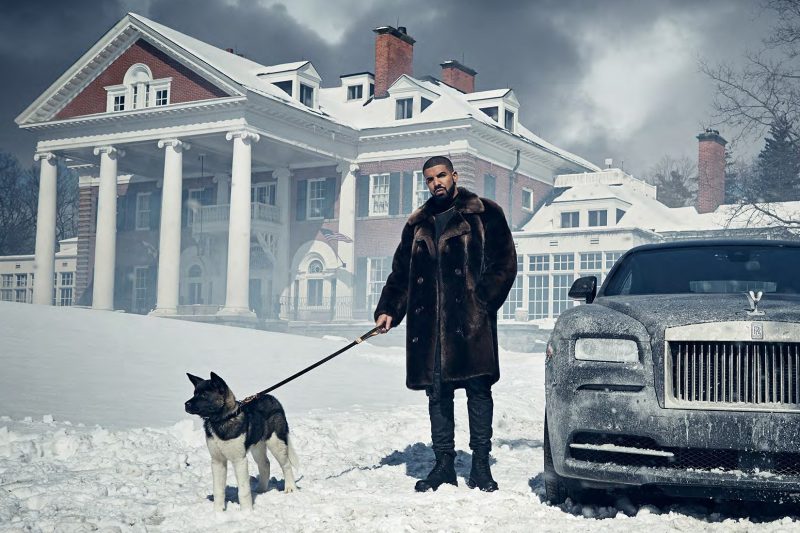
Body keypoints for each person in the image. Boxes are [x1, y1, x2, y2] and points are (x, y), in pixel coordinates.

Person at [374, 155, 517, 492]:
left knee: (478, 392)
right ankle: (444, 465)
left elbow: (504, 263)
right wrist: (390, 309)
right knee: (437, 395)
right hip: (429, 328)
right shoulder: (417, 224)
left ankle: (481, 465)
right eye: (429, 179)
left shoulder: (484, 213)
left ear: (454, 176)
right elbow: (401, 275)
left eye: (441, 176)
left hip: (470, 322)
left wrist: (480, 302)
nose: (436, 183)